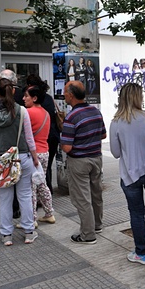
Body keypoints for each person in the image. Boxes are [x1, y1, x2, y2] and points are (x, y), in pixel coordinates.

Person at [0, 78, 39, 246]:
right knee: (25, 195)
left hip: (0, 160)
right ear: (13, 91)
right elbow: (29, 138)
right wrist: (35, 157)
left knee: (5, 198)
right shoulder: (22, 111)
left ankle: (7, 235)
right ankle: (29, 232)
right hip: (21, 157)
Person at [110, 83, 145, 265]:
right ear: (138, 97)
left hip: (130, 175)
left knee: (137, 214)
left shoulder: (116, 122)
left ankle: (142, 253)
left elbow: (115, 153)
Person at [61, 80, 106, 244]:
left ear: (71, 95)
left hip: (79, 161)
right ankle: (97, 225)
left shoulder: (71, 117)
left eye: (65, 92)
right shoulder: (95, 111)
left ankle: (88, 234)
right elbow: (103, 135)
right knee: (96, 193)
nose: (64, 95)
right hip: (96, 158)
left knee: (82, 198)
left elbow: (66, 147)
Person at [22, 85, 55, 225]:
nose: (23, 99)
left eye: (26, 96)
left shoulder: (27, 113)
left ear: (34, 98)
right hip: (44, 152)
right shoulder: (46, 113)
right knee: (42, 183)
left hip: (32, 154)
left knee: (30, 187)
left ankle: (32, 219)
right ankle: (49, 213)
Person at [26, 74, 59, 194]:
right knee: (47, 167)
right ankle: (47, 193)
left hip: (41, 140)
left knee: (39, 170)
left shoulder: (32, 108)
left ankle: (42, 194)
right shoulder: (49, 98)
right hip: (53, 136)